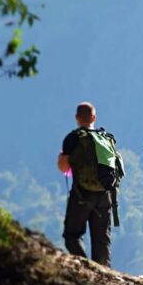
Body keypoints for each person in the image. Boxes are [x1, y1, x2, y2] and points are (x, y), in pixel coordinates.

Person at [57, 101, 119, 267]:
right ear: (94, 117)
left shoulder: (73, 139)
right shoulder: (105, 138)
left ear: (77, 118)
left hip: (81, 194)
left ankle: (87, 268)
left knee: (72, 235)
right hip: (104, 195)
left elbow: (64, 167)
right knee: (102, 238)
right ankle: (104, 273)